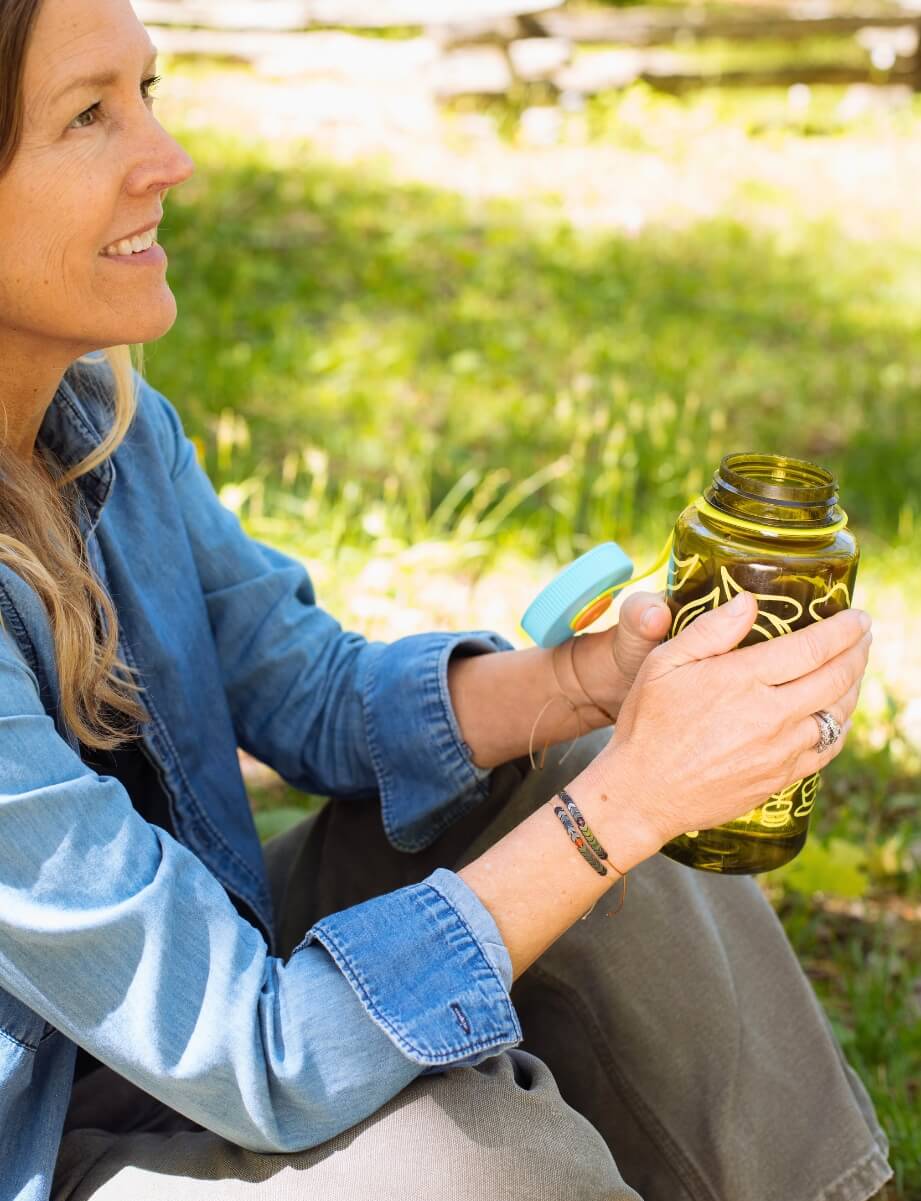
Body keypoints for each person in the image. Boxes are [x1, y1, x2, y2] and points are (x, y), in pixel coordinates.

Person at [0, 1, 893, 1199]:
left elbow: (302, 683)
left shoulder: (102, 425)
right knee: (480, 1162)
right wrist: (631, 805)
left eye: (147, 94)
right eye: (89, 116)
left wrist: (588, 688)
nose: (168, 160)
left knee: (589, 756)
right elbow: (253, 1047)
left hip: (194, 1004)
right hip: (51, 1131)